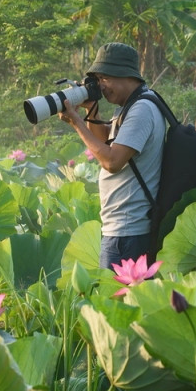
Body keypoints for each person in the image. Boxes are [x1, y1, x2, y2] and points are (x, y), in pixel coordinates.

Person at [59, 43, 166, 269]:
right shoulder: (131, 104)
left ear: (124, 73)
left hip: (128, 232)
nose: (100, 86)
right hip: (124, 230)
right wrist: (91, 111)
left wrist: (76, 122)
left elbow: (112, 160)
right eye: (97, 80)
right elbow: (107, 140)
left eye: (103, 78)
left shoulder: (141, 109)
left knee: (114, 303)